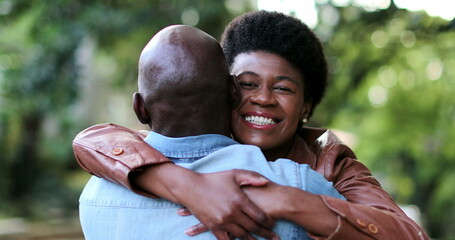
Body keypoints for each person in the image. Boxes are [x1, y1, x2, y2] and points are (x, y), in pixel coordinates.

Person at [73, 11, 429, 240]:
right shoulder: (166, 148)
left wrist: (284, 198)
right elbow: (93, 140)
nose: (263, 98)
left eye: (283, 88)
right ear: (226, 90)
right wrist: (187, 185)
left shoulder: (333, 167)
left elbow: (408, 235)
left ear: (306, 107)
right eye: (248, 83)